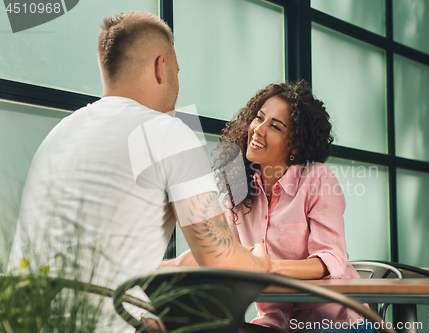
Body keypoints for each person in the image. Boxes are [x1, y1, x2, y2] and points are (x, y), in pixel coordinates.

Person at [7, 11, 270, 332]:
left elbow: (84, 262)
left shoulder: (59, 134)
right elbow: (223, 260)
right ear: (161, 68)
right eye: (176, 71)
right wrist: (261, 261)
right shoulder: (169, 133)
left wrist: (156, 280)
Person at [215, 81, 372, 333]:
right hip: (276, 324)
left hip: (334, 323)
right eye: (259, 118)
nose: (258, 130)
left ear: (294, 146)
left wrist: (268, 268)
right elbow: (228, 260)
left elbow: (329, 260)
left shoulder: (317, 178)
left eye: (275, 126)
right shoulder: (236, 194)